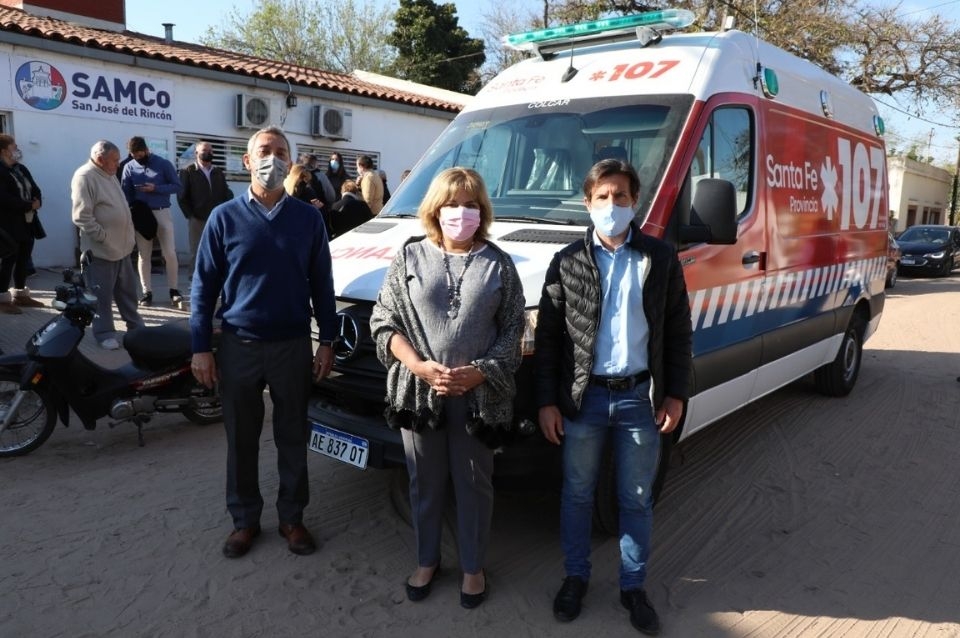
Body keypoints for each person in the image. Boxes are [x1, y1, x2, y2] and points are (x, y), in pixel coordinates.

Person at [534, 158, 693, 635]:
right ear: (587, 203)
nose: (611, 204)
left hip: (639, 399)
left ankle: (633, 587)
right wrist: (546, 401)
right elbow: (548, 339)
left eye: (620, 195)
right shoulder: (567, 261)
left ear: (634, 201)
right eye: (602, 196)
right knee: (577, 494)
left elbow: (678, 332)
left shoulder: (659, 258)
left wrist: (676, 394)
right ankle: (575, 578)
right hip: (583, 400)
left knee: (636, 499)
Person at [369, 167, 525, 609]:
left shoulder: (498, 263)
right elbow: (384, 320)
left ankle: (473, 568)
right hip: (419, 394)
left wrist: (481, 371)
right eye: (453, 204)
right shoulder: (410, 256)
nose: (461, 213)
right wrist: (418, 366)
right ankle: (427, 560)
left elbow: (514, 329)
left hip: (478, 397)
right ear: (435, 209)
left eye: (471, 204)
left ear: (482, 211)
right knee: (425, 482)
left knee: (475, 483)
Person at [190, 125, 337, 559]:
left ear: (290, 162)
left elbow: (322, 284)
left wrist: (327, 340)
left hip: (292, 345)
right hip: (239, 345)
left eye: (281, 152)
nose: (273, 158)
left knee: (292, 435)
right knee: (241, 438)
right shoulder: (223, 218)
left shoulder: (308, 219)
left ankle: (292, 518)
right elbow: (203, 287)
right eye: (264, 150)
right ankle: (244, 520)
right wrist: (200, 346)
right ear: (247, 160)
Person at [71, 140, 145, 350]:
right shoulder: (85, 176)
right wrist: (104, 237)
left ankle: (136, 328)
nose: (118, 164)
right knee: (101, 297)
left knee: (128, 293)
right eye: (114, 160)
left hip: (122, 249)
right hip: (101, 251)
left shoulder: (109, 174)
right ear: (100, 159)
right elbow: (81, 216)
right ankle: (104, 333)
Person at [121, 136, 183, 306]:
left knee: (169, 253)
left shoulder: (163, 164)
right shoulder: (129, 167)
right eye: (134, 155)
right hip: (141, 215)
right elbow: (125, 192)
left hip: (161, 211)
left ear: (146, 150)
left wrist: (156, 188)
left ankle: (174, 290)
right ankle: (146, 292)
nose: (137, 158)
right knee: (144, 254)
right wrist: (131, 211)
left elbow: (177, 186)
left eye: (139, 155)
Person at [0, 134, 44, 313]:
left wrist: (37, 201)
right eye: (14, 147)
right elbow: (4, 198)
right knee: (8, 259)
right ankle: (2, 298)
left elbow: (35, 188)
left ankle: (20, 294)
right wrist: (27, 205)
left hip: (27, 221)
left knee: (24, 257)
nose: (17, 150)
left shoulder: (21, 168)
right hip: (7, 223)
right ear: (4, 151)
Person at [177, 141, 233, 272]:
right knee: (197, 250)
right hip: (197, 218)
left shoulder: (218, 171)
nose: (208, 153)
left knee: (218, 248)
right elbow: (181, 196)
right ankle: (194, 277)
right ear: (196, 153)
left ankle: (216, 276)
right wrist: (190, 216)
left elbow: (226, 192)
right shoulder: (188, 171)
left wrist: (225, 210)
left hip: (217, 217)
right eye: (204, 151)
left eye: (210, 151)